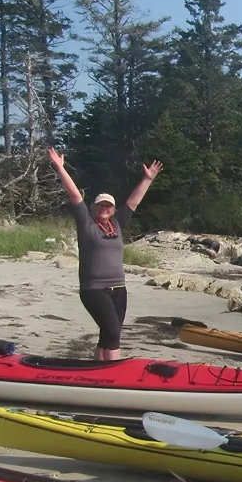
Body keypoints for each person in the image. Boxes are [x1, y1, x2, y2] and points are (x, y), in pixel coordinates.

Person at [47, 147, 162, 360]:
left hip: (119, 288)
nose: (105, 208)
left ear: (113, 209)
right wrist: (60, 168)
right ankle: (112, 374)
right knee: (112, 331)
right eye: (101, 205)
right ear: (94, 207)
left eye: (108, 205)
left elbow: (133, 202)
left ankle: (98, 369)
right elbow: (74, 195)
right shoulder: (86, 224)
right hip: (93, 289)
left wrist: (147, 179)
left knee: (108, 333)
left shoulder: (117, 225)